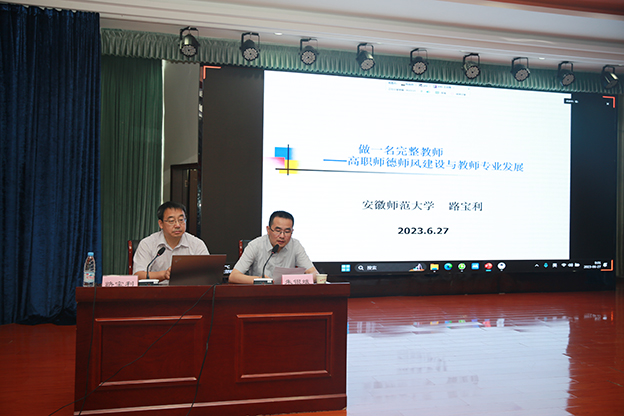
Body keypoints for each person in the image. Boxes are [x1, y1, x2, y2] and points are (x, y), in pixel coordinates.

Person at [229, 210, 318, 284]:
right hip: (260, 294)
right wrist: (260, 280)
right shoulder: (255, 245)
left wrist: (294, 279)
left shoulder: (295, 245)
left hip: (286, 294)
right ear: (268, 230)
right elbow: (234, 276)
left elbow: (314, 273)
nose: (282, 236)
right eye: (278, 231)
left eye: (287, 232)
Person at [133, 201, 209, 282]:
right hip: (157, 289)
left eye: (181, 220)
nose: (177, 225)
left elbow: (208, 273)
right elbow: (138, 275)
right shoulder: (147, 244)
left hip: (187, 289)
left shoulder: (197, 244)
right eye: (171, 221)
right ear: (161, 224)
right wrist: (164, 275)